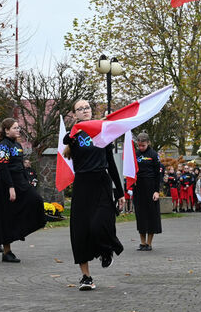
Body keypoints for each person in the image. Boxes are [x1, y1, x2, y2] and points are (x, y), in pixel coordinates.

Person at [63, 101, 125, 290]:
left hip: (101, 182)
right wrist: (74, 132)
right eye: (80, 109)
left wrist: (120, 193)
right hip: (82, 185)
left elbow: (111, 164)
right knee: (81, 230)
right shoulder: (74, 135)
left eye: (87, 107)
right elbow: (66, 140)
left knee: (101, 223)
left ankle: (107, 250)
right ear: (75, 114)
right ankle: (86, 277)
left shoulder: (102, 132)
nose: (85, 110)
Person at [0, 118, 47, 263]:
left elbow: (20, 165)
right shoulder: (2, 146)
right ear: (6, 130)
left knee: (36, 201)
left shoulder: (17, 145)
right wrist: (11, 187)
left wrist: (26, 181)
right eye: (14, 128)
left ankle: (19, 230)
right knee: (7, 216)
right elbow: (3, 168)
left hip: (21, 181)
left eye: (18, 128)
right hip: (7, 183)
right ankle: (7, 251)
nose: (18, 130)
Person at [132, 132, 163, 251]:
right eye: (139, 145)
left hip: (151, 188)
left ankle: (149, 243)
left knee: (151, 216)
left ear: (148, 143)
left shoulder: (153, 155)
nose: (141, 148)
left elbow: (158, 174)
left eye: (143, 145)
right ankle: (142, 242)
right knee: (140, 215)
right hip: (138, 188)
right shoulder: (136, 154)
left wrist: (157, 191)